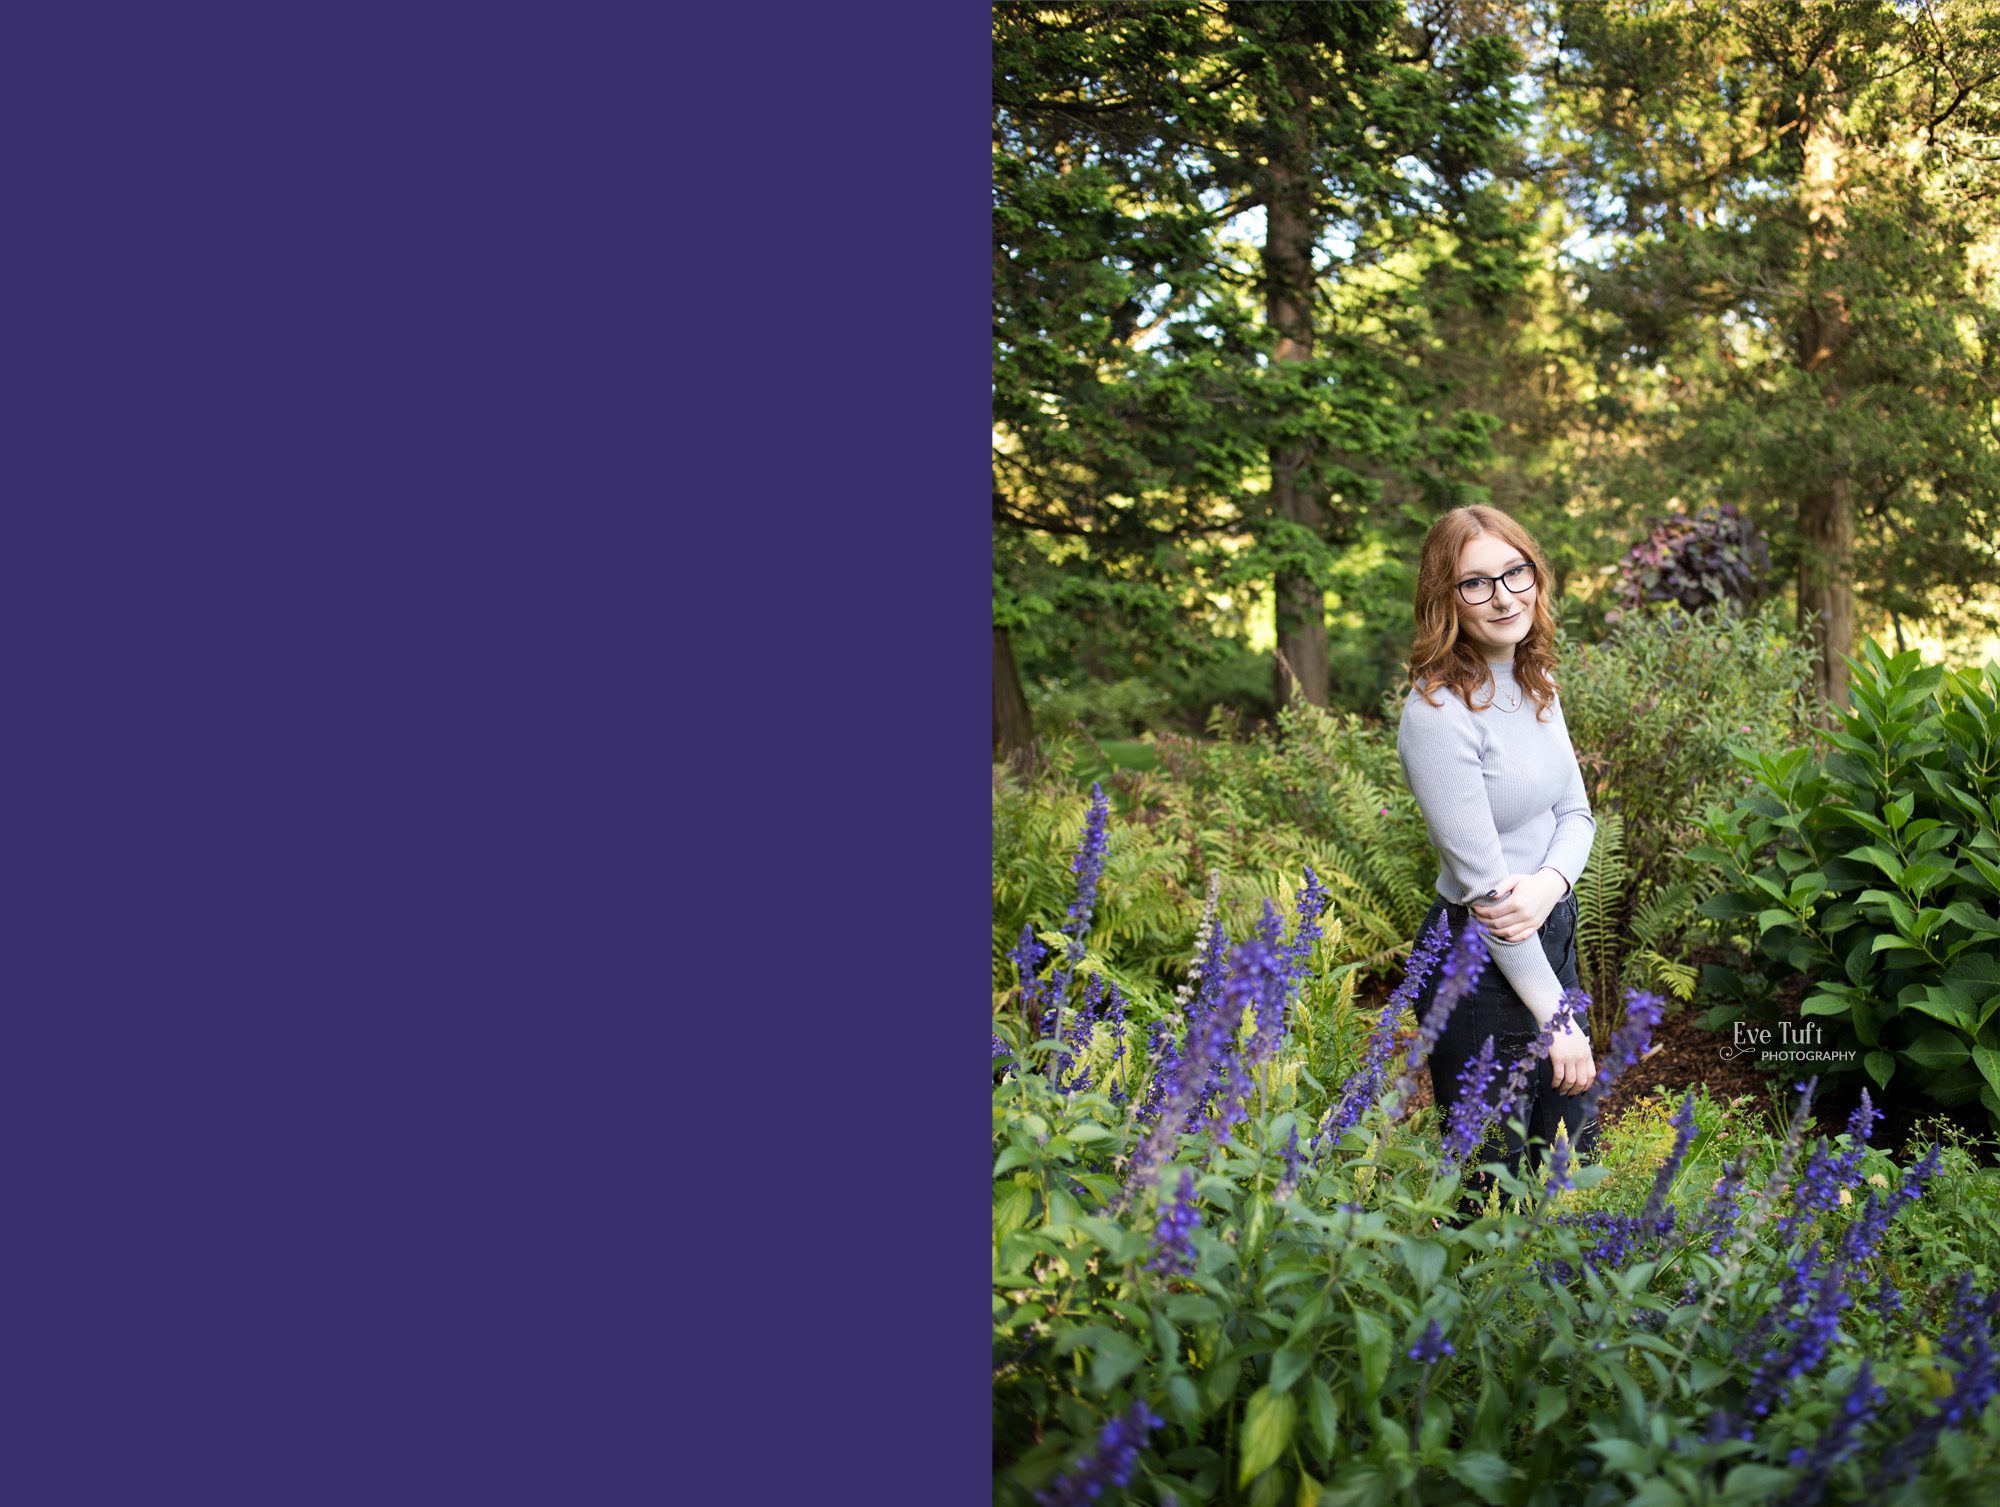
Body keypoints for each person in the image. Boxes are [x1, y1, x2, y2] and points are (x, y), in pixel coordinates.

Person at [1394, 505, 1599, 1213]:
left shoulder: (1535, 679)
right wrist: (1556, 1018)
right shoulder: (1436, 713)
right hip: (1480, 964)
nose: (1505, 595)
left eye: (1515, 572)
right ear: (1443, 598)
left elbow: (1577, 815)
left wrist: (1547, 884)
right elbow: (1488, 898)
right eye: (1476, 583)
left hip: (1552, 934)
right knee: (1489, 1182)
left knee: (1568, 1155)